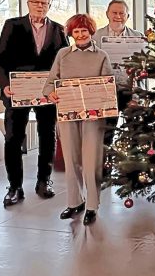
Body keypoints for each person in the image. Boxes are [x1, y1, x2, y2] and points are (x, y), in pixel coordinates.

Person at [0, 0, 68, 207]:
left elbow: (65, 62)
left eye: (45, 3)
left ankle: (44, 181)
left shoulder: (58, 29)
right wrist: (5, 85)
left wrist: (60, 87)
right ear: (28, 3)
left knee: (48, 136)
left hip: (47, 94)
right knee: (13, 139)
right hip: (17, 92)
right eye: (36, 2)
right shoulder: (12, 25)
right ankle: (14, 187)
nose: (40, 6)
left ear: (49, 6)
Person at [44, 14, 113, 225]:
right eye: (76, 31)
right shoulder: (62, 54)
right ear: (71, 34)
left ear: (91, 32)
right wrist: (50, 93)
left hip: (93, 117)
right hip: (67, 115)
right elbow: (49, 83)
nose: (81, 35)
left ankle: (92, 205)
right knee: (71, 160)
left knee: (91, 161)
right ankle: (74, 202)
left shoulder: (101, 55)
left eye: (84, 30)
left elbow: (109, 87)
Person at [92, 0, 139, 147]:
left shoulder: (137, 37)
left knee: (134, 133)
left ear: (127, 16)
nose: (118, 16)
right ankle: (103, 168)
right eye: (114, 12)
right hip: (106, 92)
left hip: (129, 90)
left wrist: (137, 96)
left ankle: (133, 168)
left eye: (121, 13)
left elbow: (142, 69)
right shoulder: (95, 38)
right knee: (106, 133)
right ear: (107, 14)